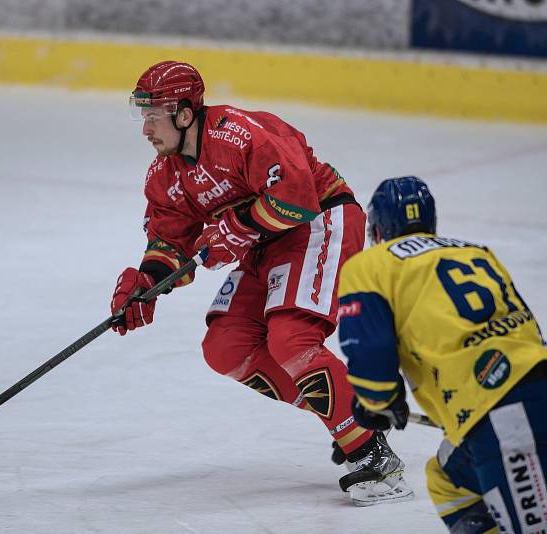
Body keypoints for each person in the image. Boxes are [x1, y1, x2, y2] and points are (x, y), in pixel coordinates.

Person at [110, 60, 412, 505]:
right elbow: (172, 244)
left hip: (319, 221)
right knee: (226, 347)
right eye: (143, 114)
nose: (146, 129)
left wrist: (236, 226)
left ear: (185, 113)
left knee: (292, 339)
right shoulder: (164, 176)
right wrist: (146, 284)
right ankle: (348, 413)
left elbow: (298, 196)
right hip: (265, 244)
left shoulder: (240, 133)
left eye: (154, 114)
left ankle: (370, 453)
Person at [337, 175, 547, 532]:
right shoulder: (477, 253)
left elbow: (370, 351)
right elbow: (527, 325)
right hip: (530, 384)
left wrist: (377, 401)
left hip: (505, 415)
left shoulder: (370, 265)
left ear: (377, 227)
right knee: (448, 478)